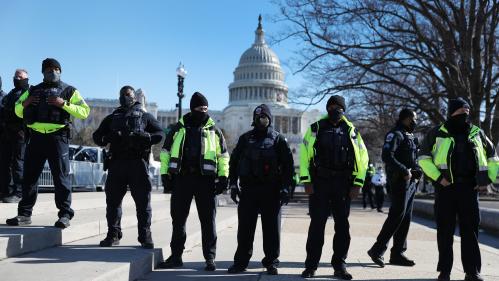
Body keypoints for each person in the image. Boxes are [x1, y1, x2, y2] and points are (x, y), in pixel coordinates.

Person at [418, 98, 498, 281]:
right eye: (461, 112)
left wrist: (486, 180)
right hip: (446, 189)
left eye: (467, 112)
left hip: (470, 188)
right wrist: (439, 178)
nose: (465, 114)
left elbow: (493, 157)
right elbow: (423, 158)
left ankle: (472, 272)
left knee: (470, 231)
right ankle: (444, 271)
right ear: (452, 113)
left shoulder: (477, 133)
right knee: (445, 231)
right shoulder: (437, 132)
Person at [6, 58, 90, 228]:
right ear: (43, 72)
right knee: (29, 178)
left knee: (61, 178)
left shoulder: (69, 90)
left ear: (60, 71)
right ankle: (24, 215)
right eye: (49, 69)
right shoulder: (33, 90)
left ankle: (65, 215)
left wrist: (64, 104)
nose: (52, 71)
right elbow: (17, 110)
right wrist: (26, 102)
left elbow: (84, 112)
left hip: (58, 138)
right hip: (36, 137)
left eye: (55, 69)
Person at [299, 95, 369, 280]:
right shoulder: (315, 128)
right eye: (331, 105)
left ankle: (340, 265)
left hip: (343, 184)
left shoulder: (352, 131)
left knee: (342, 226)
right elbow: (304, 155)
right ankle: (311, 266)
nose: (334, 109)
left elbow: (363, 159)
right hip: (320, 183)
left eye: (338, 106)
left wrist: (358, 183)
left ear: (343, 109)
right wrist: (306, 181)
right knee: (316, 226)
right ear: (327, 108)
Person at [159, 92, 229, 271]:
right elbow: (165, 153)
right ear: (192, 108)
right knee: (178, 220)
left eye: (206, 109)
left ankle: (210, 258)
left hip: (206, 181)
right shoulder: (177, 129)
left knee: (208, 221)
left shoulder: (215, 131)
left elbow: (223, 157)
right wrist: (165, 175)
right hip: (182, 179)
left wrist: (223, 177)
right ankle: (176, 256)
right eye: (200, 108)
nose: (203, 112)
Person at [92, 85, 163, 248]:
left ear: (134, 97)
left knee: (143, 203)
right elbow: (97, 136)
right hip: (116, 164)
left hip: (138, 164)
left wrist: (145, 137)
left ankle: (145, 236)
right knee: (113, 202)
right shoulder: (112, 117)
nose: (125, 97)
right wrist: (108, 138)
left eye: (128, 94)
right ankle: (113, 235)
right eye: (122, 95)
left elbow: (160, 134)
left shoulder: (145, 116)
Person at [227, 104, 294, 275]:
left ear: (270, 119)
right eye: (259, 117)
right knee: (245, 230)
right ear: (254, 119)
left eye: (265, 117)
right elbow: (233, 163)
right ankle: (241, 262)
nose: (262, 120)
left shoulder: (278, 139)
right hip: (249, 190)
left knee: (272, 230)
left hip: (271, 190)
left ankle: (271, 262)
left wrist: (286, 187)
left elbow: (288, 166)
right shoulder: (244, 139)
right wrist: (233, 184)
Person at [368, 109, 422, 267]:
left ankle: (398, 253)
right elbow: (387, 156)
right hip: (399, 181)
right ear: (405, 119)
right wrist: (404, 170)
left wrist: (417, 169)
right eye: (413, 118)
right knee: (396, 216)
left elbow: (413, 158)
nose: (415, 122)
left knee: (406, 218)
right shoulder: (395, 134)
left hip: (411, 182)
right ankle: (377, 250)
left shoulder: (410, 136)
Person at [0, 69, 30, 203]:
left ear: (26, 78)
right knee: (5, 163)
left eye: (20, 77)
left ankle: (18, 193)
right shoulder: (10, 94)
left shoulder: (28, 93)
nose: (17, 79)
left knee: (18, 163)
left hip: (20, 133)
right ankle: (5, 191)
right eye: (16, 76)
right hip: (7, 133)